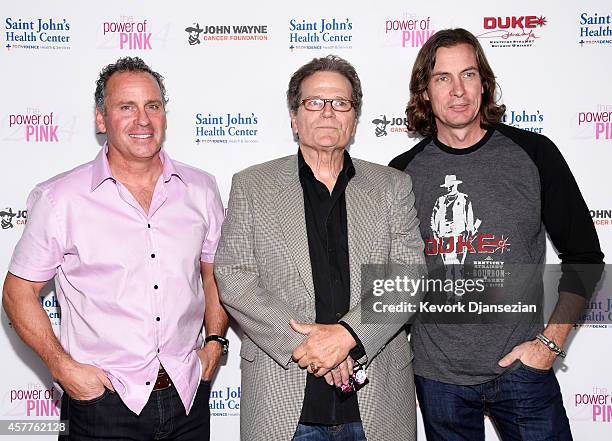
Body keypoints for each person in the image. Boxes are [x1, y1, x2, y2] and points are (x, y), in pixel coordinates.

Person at [389, 28, 604, 440]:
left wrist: (550, 345)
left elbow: (584, 258)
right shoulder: (401, 173)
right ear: (425, 92)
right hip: (438, 380)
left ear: (484, 84)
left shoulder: (535, 154)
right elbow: (391, 277)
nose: (457, 90)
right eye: (442, 78)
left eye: (468, 75)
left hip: (523, 371)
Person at [2, 56, 228, 441]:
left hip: (188, 395)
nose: (142, 119)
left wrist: (214, 344)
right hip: (101, 401)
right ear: (101, 120)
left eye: (152, 106)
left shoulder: (201, 189)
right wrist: (62, 368)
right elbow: (17, 291)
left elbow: (214, 273)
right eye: (126, 107)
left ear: (164, 116)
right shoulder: (61, 199)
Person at [214, 55, 425, 441]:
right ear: (294, 118)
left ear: (355, 119)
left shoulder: (392, 186)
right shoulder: (252, 185)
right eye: (314, 102)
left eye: (340, 103)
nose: (328, 112)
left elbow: (409, 278)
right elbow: (234, 278)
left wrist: (347, 336)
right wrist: (310, 347)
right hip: (283, 401)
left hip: (377, 403)